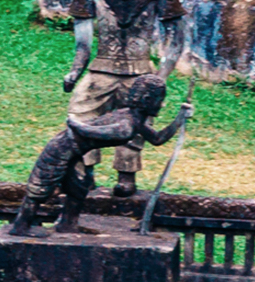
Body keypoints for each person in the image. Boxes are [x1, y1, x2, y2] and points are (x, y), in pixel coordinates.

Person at [64, 0, 184, 199]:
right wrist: (75, 71)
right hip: (100, 68)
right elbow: (82, 42)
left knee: (133, 126)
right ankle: (84, 169)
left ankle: (126, 175)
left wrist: (161, 77)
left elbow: (176, 38)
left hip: (140, 72)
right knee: (81, 114)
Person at [11, 75, 192, 234]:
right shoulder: (126, 127)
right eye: (160, 100)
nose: (162, 104)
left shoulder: (133, 121)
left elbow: (157, 138)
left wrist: (180, 118)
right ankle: (20, 226)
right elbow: (91, 132)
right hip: (61, 148)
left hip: (75, 152)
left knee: (79, 188)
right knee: (40, 189)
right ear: (147, 100)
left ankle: (67, 224)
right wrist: (74, 123)